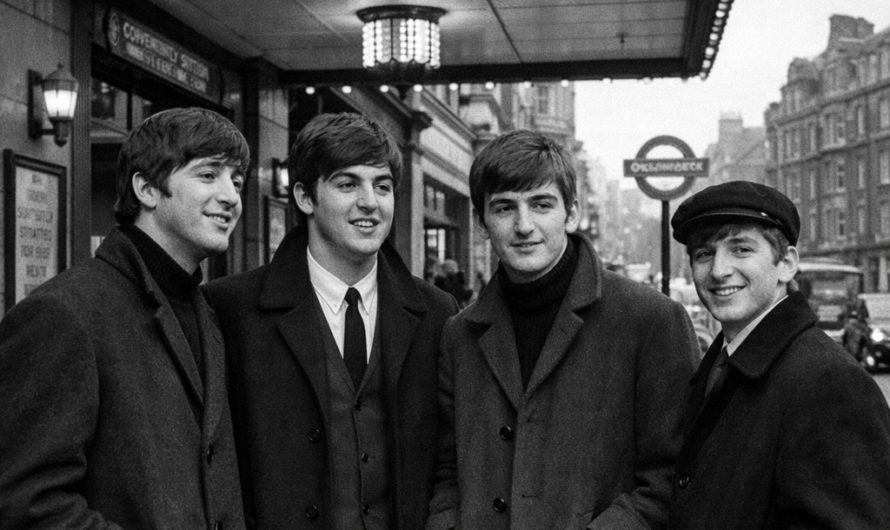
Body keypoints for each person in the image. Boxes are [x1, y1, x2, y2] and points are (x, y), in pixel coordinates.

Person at [426, 130, 699, 530]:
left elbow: (674, 474)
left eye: (541, 205)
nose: (524, 225)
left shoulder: (651, 320)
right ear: (481, 222)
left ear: (571, 214)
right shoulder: (460, 335)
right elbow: (448, 469)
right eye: (504, 208)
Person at [203, 112, 459, 530]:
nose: (370, 202)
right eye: (347, 184)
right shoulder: (231, 309)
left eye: (382, 186)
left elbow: (452, 458)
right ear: (305, 197)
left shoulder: (437, 312)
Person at [0, 107, 249, 529]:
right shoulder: (64, 313)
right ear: (146, 189)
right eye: (208, 175)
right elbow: (25, 501)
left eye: (237, 181)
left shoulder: (206, 312)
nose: (231, 197)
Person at [668, 180, 890, 529]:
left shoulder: (828, 381)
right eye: (704, 254)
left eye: (741, 249)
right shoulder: (723, 363)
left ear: (786, 263)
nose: (719, 270)